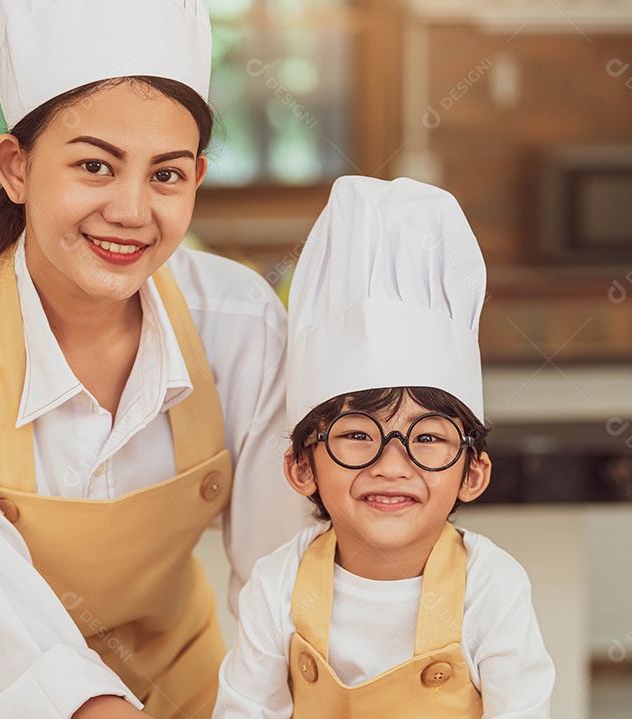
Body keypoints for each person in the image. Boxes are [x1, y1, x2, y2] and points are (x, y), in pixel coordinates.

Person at [0, 1, 308, 717]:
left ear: (197, 177)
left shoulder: (242, 327)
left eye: (166, 175)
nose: (131, 210)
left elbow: (281, 578)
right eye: (95, 165)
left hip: (175, 687)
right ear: (17, 167)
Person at [212, 176, 555, 718]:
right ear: (301, 467)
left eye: (428, 438)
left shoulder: (491, 589)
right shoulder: (277, 585)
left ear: (472, 472)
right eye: (357, 435)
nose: (392, 466)